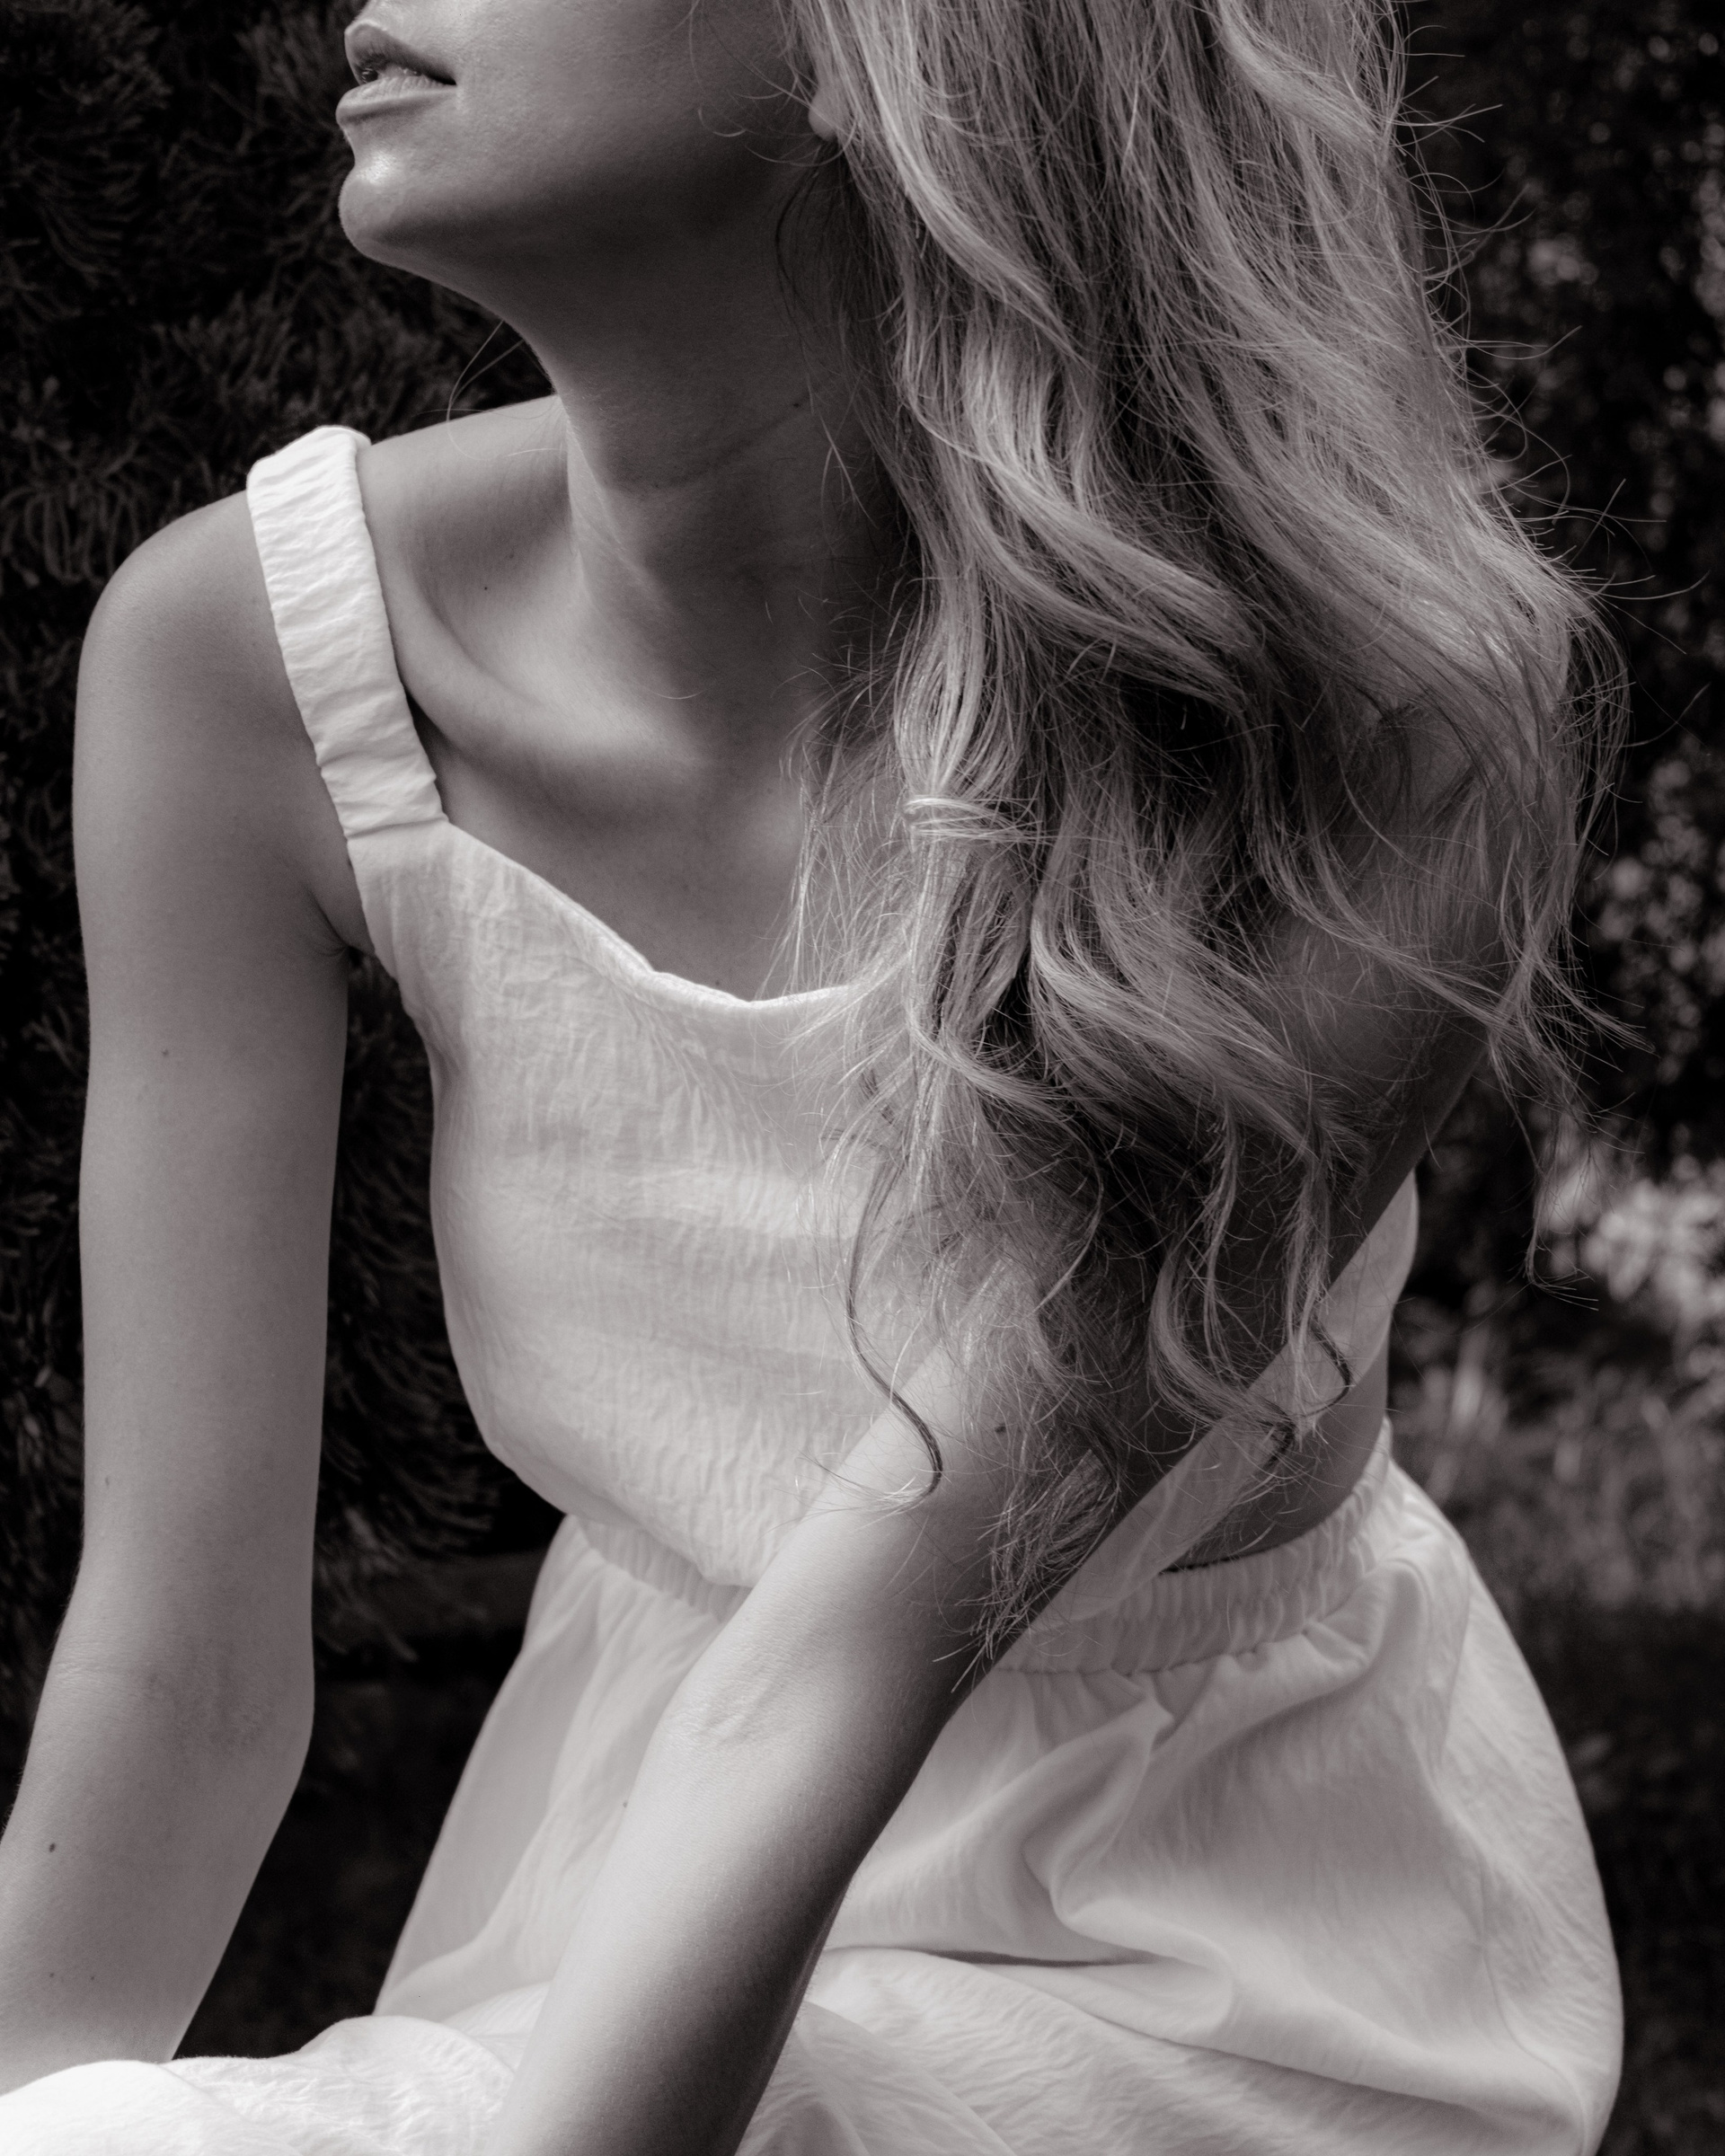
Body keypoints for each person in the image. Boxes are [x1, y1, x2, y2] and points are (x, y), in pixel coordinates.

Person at [0, 0, 1622, 2146]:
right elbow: (185, 1677)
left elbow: (843, 1669)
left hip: (1222, 1966)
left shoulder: (1387, 719)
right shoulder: (241, 661)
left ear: (896, 44)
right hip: (632, 1882)